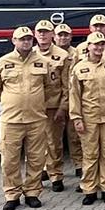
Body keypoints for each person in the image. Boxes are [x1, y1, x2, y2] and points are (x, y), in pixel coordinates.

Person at [0, 25, 55, 210]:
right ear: (14, 41)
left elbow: (49, 87)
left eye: (28, 39)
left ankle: (32, 193)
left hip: (36, 119)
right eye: (22, 39)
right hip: (12, 120)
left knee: (36, 159)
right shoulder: (3, 63)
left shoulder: (43, 62)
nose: (26, 42)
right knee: (9, 159)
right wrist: (13, 101)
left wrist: (35, 102)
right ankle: (12, 194)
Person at [69, 32, 105, 205]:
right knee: (90, 155)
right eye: (95, 44)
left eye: (102, 44)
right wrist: (77, 118)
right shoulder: (79, 68)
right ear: (88, 46)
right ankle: (89, 189)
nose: (98, 47)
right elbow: (74, 95)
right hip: (89, 118)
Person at [32, 19, 71, 192]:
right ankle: (38, 174)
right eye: (39, 31)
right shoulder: (29, 54)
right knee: (34, 143)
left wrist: (63, 107)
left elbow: (67, 85)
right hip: (34, 107)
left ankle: (56, 175)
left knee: (54, 143)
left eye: (46, 31)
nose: (42, 34)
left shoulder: (62, 56)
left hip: (53, 107)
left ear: (52, 35)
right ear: (35, 34)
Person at [54, 22, 83, 178]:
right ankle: (51, 169)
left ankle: (79, 164)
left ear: (71, 37)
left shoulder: (77, 53)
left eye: (66, 35)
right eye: (60, 35)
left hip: (73, 99)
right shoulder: (46, 53)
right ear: (54, 37)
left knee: (75, 136)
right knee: (53, 138)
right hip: (55, 101)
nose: (63, 38)